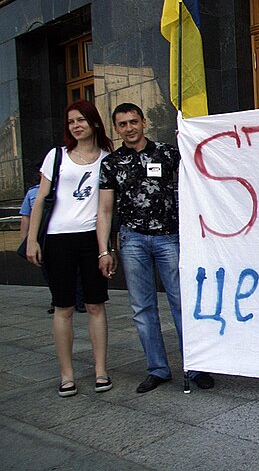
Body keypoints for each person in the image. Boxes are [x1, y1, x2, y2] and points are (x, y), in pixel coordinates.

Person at [96, 103, 214, 393]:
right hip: (132, 239)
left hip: (169, 237)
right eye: (122, 124)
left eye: (133, 121)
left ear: (144, 122)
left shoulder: (167, 153)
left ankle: (196, 366)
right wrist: (104, 250)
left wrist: (189, 135)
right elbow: (105, 210)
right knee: (142, 307)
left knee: (181, 302)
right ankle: (158, 368)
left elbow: (197, 175)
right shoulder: (111, 164)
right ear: (116, 128)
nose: (129, 128)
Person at [26, 100, 114, 397]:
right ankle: (67, 375)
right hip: (58, 239)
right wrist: (32, 240)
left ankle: (101, 370)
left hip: (91, 239)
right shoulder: (56, 156)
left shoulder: (107, 158)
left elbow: (107, 208)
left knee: (95, 305)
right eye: (71, 122)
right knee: (63, 307)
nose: (76, 126)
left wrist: (106, 248)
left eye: (81, 120)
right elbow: (40, 199)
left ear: (94, 123)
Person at [20, 165, 87, 315]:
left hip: (63, 235)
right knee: (49, 272)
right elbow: (26, 216)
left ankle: (79, 300)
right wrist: (26, 239)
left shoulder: (64, 189)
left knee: (76, 271)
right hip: (42, 238)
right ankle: (56, 300)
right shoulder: (32, 193)